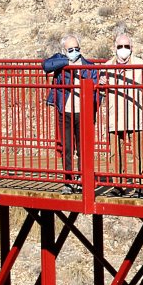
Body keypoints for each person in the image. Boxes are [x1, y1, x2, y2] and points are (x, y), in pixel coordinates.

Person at [43, 34, 100, 194]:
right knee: (67, 147)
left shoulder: (88, 66)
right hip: (65, 111)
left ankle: (82, 179)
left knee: (83, 148)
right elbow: (46, 65)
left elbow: (96, 86)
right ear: (64, 51)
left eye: (76, 49)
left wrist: (94, 106)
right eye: (70, 49)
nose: (74, 52)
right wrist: (67, 62)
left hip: (83, 112)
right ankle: (68, 181)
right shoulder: (60, 62)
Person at [104, 32, 143, 198]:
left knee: (138, 151)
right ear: (114, 48)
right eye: (120, 46)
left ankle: (139, 184)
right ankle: (118, 184)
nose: (123, 50)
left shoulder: (142, 65)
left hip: (135, 114)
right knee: (114, 151)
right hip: (115, 114)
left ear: (132, 48)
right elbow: (101, 93)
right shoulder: (106, 66)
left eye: (126, 46)